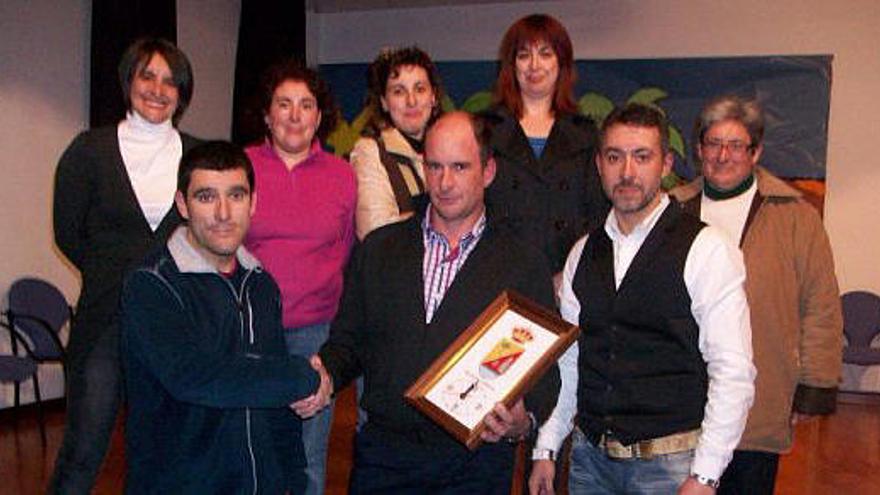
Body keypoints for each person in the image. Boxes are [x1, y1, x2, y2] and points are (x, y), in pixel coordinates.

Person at [295, 111, 561, 494]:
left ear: (488, 171)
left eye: (459, 167)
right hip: (385, 460)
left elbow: (545, 369)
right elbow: (348, 344)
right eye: (435, 166)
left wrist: (524, 419)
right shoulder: (380, 250)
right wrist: (326, 375)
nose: (445, 182)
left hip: (476, 465)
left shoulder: (522, 262)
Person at [529, 104, 756, 495]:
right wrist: (546, 446)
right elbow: (568, 362)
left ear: (666, 163)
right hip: (589, 462)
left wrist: (704, 475)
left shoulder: (706, 249)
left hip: (671, 467)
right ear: (599, 163)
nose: (628, 173)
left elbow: (733, 372)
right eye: (615, 157)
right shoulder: (582, 254)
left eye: (642, 157)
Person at [119, 141, 323, 493]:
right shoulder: (151, 284)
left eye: (237, 195)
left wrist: (294, 477)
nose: (224, 213)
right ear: (183, 204)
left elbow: (274, 398)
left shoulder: (261, 284)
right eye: (206, 197)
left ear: (253, 203)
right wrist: (302, 375)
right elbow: (195, 377)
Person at [669, 95, 843, 494]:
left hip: (759, 400)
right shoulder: (673, 212)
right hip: (680, 401)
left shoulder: (795, 216)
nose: (723, 155)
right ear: (698, 150)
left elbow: (820, 304)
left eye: (736, 145)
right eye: (713, 143)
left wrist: (812, 387)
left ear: (756, 151)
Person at [51, 37, 202, 493]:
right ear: (128, 80)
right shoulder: (89, 150)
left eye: (170, 81)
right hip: (104, 322)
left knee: (166, 449)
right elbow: (68, 233)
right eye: (147, 76)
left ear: (182, 92)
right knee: (83, 449)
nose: (158, 89)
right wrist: (119, 274)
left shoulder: (199, 155)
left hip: (176, 326)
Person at [243, 60, 356, 495]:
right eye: (284, 104)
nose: (294, 115)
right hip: (251, 333)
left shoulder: (343, 176)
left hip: (315, 333)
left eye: (306, 105)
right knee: (252, 446)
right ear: (268, 115)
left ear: (319, 116)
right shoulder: (242, 167)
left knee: (308, 454)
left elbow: (344, 251)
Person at [484, 13, 608, 282]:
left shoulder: (586, 134)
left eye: (545, 53)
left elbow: (599, 216)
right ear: (511, 65)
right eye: (523, 55)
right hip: (499, 278)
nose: (534, 65)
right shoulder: (485, 131)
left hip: (569, 279)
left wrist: (570, 273)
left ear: (561, 62)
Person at [350, 46, 444, 240]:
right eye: (399, 91)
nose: (411, 101)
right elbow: (375, 233)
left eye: (420, 89)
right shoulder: (369, 151)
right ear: (384, 101)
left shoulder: (450, 148)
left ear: (433, 96)